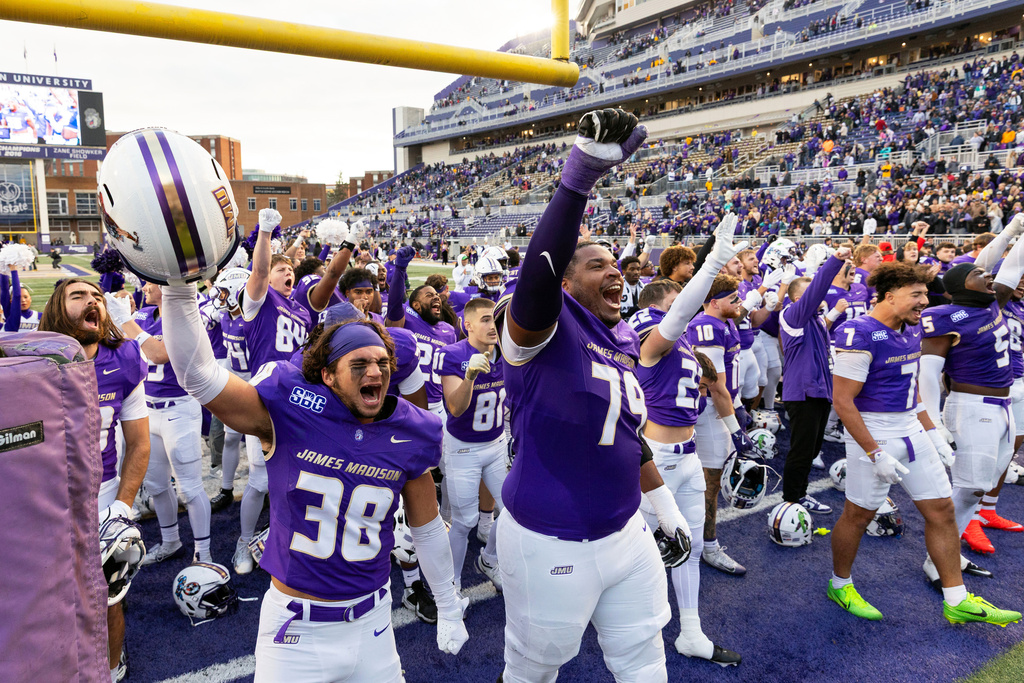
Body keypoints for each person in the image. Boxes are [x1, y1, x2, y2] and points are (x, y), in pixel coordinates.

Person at [157, 284, 469, 681]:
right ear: (328, 375)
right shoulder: (289, 410)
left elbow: (426, 529)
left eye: (381, 362)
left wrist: (447, 603)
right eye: (359, 365)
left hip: (373, 621)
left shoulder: (412, 429)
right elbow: (198, 377)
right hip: (296, 629)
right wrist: (178, 291)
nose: (374, 372)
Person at [494, 109, 691, 682]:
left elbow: (627, 439)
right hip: (551, 536)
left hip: (625, 528)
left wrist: (664, 509)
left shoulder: (621, 338)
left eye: (616, 264)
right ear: (567, 280)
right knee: (532, 673)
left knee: (644, 662)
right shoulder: (542, 324)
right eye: (596, 263)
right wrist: (577, 181)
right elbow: (536, 277)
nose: (615, 272)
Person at [829, 262, 1020, 627]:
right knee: (858, 514)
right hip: (875, 432)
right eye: (915, 295)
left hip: (911, 430)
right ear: (889, 296)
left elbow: (912, 387)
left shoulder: (910, 329)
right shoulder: (859, 332)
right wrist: (874, 451)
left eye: (924, 294)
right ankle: (840, 584)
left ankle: (957, 599)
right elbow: (843, 401)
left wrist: (931, 429)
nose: (923, 302)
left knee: (943, 511)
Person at [629, 212, 745, 665]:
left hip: (689, 453)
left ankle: (691, 632)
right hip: (654, 456)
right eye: (680, 298)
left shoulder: (682, 347)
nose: (688, 305)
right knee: (643, 549)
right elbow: (677, 317)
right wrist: (714, 262)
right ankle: (639, 632)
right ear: (664, 301)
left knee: (690, 546)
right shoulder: (650, 333)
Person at [40, 279, 151, 682]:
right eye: (79, 296)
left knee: (107, 597)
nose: (93, 301)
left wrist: (121, 508)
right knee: (46, 598)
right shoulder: (35, 362)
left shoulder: (122, 358)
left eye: (98, 297)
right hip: (44, 496)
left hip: (100, 493)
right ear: (56, 309)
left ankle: (111, 668)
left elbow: (139, 443)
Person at [919, 230, 1024, 558]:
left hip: (1003, 406)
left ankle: (952, 545)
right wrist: (933, 426)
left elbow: (1012, 267)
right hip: (971, 407)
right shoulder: (944, 317)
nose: (989, 275)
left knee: (988, 480)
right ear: (963, 284)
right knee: (968, 488)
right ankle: (938, 559)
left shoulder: (992, 304)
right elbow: (927, 377)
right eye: (980, 274)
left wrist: (1018, 233)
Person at [234, 208, 313, 574]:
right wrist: (265, 233)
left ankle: (287, 538)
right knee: (260, 480)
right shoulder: (260, 301)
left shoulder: (303, 311)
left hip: (297, 398)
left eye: (291, 271)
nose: (288, 273)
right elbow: (261, 271)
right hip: (264, 395)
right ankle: (241, 542)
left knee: (298, 475)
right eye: (283, 269)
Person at [125, 281, 214, 565]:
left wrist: (124, 322)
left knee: (190, 488)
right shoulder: (141, 317)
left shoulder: (185, 317)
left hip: (179, 409)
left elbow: (159, 354)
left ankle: (204, 552)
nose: (144, 286)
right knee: (157, 485)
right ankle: (170, 541)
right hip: (147, 411)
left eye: (151, 282)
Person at [687, 273, 756, 575]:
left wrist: (738, 406)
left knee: (708, 480)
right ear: (714, 303)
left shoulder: (725, 323)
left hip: (720, 409)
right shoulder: (706, 326)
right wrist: (736, 429)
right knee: (710, 482)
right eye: (733, 298)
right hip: (706, 413)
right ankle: (707, 547)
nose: (740, 302)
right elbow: (714, 385)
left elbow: (727, 379)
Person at [437, 297, 506, 594]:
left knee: (513, 512)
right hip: (463, 448)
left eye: (495, 319)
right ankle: (452, 582)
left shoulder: (507, 351)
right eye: (486, 320)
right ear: (468, 326)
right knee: (464, 521)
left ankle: (489, 559)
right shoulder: (453, 354)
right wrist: (469, 377)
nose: (493, 325)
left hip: (497, 443)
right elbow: (455, 408)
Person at [779, 247, 850, 516]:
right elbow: (817, 289)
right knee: (801, 450)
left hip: (819, 391)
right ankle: (793, 499)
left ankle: (799, 494)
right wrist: (835, 261)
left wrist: (833, 314)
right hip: (803, 393)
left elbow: (819, 335)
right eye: (813, 293)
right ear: (800, 298)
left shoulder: (813, 320)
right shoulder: (793, 314)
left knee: (812, 449)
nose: (821, 297)